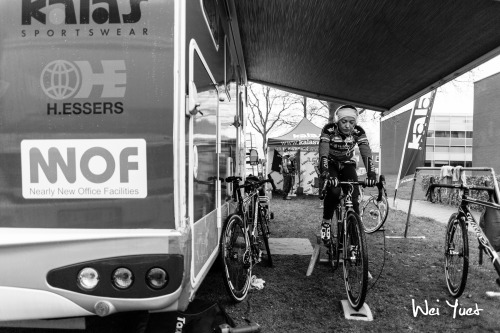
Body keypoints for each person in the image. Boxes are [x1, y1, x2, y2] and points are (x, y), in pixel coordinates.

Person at [319, 105, 376, 245]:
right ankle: (326, 222)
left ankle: (355, 242)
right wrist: (325, 172)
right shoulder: (329, 129)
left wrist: (371, 173)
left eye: (351, 122)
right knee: (334, 191)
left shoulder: (358, 131)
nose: (348, 125)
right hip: (330, 163)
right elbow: (323, 151)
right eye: (344, 121)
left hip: (347, 163)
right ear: (337, 121)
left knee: (353, 195)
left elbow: (366, 152)